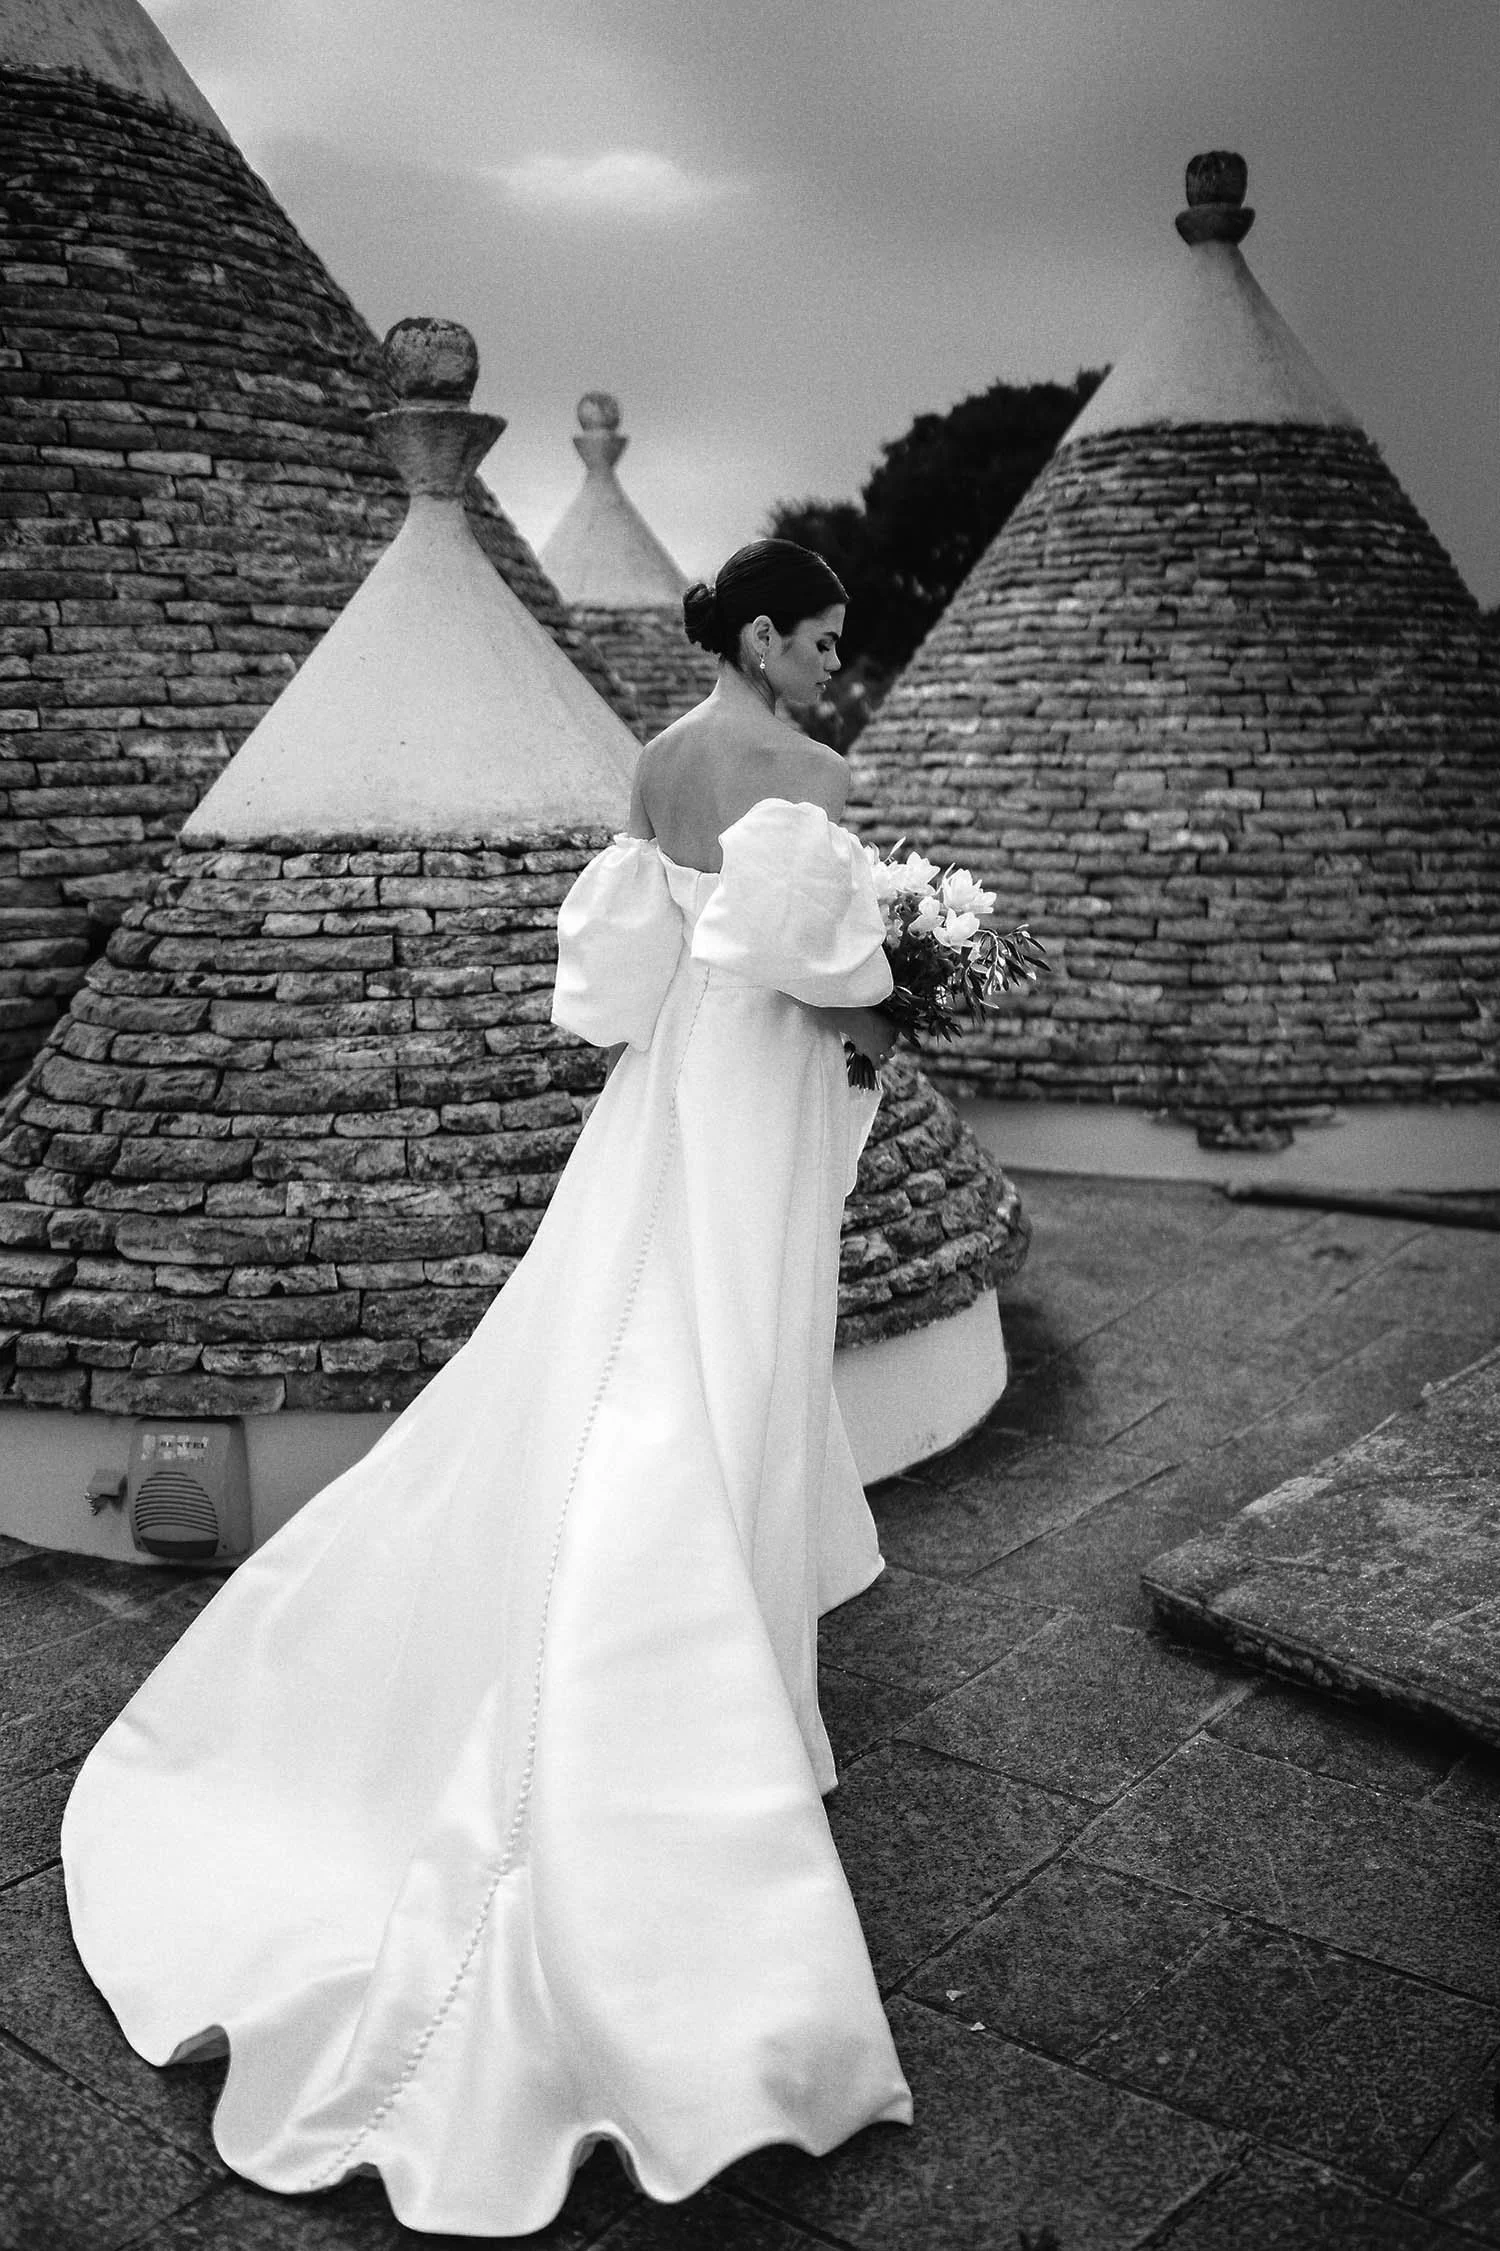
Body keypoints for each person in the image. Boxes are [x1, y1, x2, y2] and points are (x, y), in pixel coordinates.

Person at [62, 538, 914, 2237]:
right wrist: (907, 989)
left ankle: (682, 1668)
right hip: (756, 1100)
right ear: (764, 636)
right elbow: (830, 976)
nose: (837, 665)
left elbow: (618, 980)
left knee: (627, 1332)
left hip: (671, 1083)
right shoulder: (813, 780)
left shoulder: (658, 761)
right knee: (719, 1362)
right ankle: (679, 1704)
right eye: (823, 639)